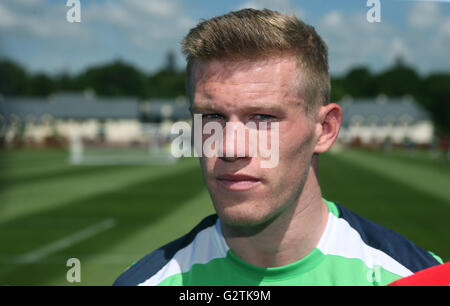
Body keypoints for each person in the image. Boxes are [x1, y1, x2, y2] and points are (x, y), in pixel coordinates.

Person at [114, 8, 442, 286]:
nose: (229, 147)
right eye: (212, 116)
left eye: (262, 117)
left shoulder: (415, 277)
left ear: (325, 129)